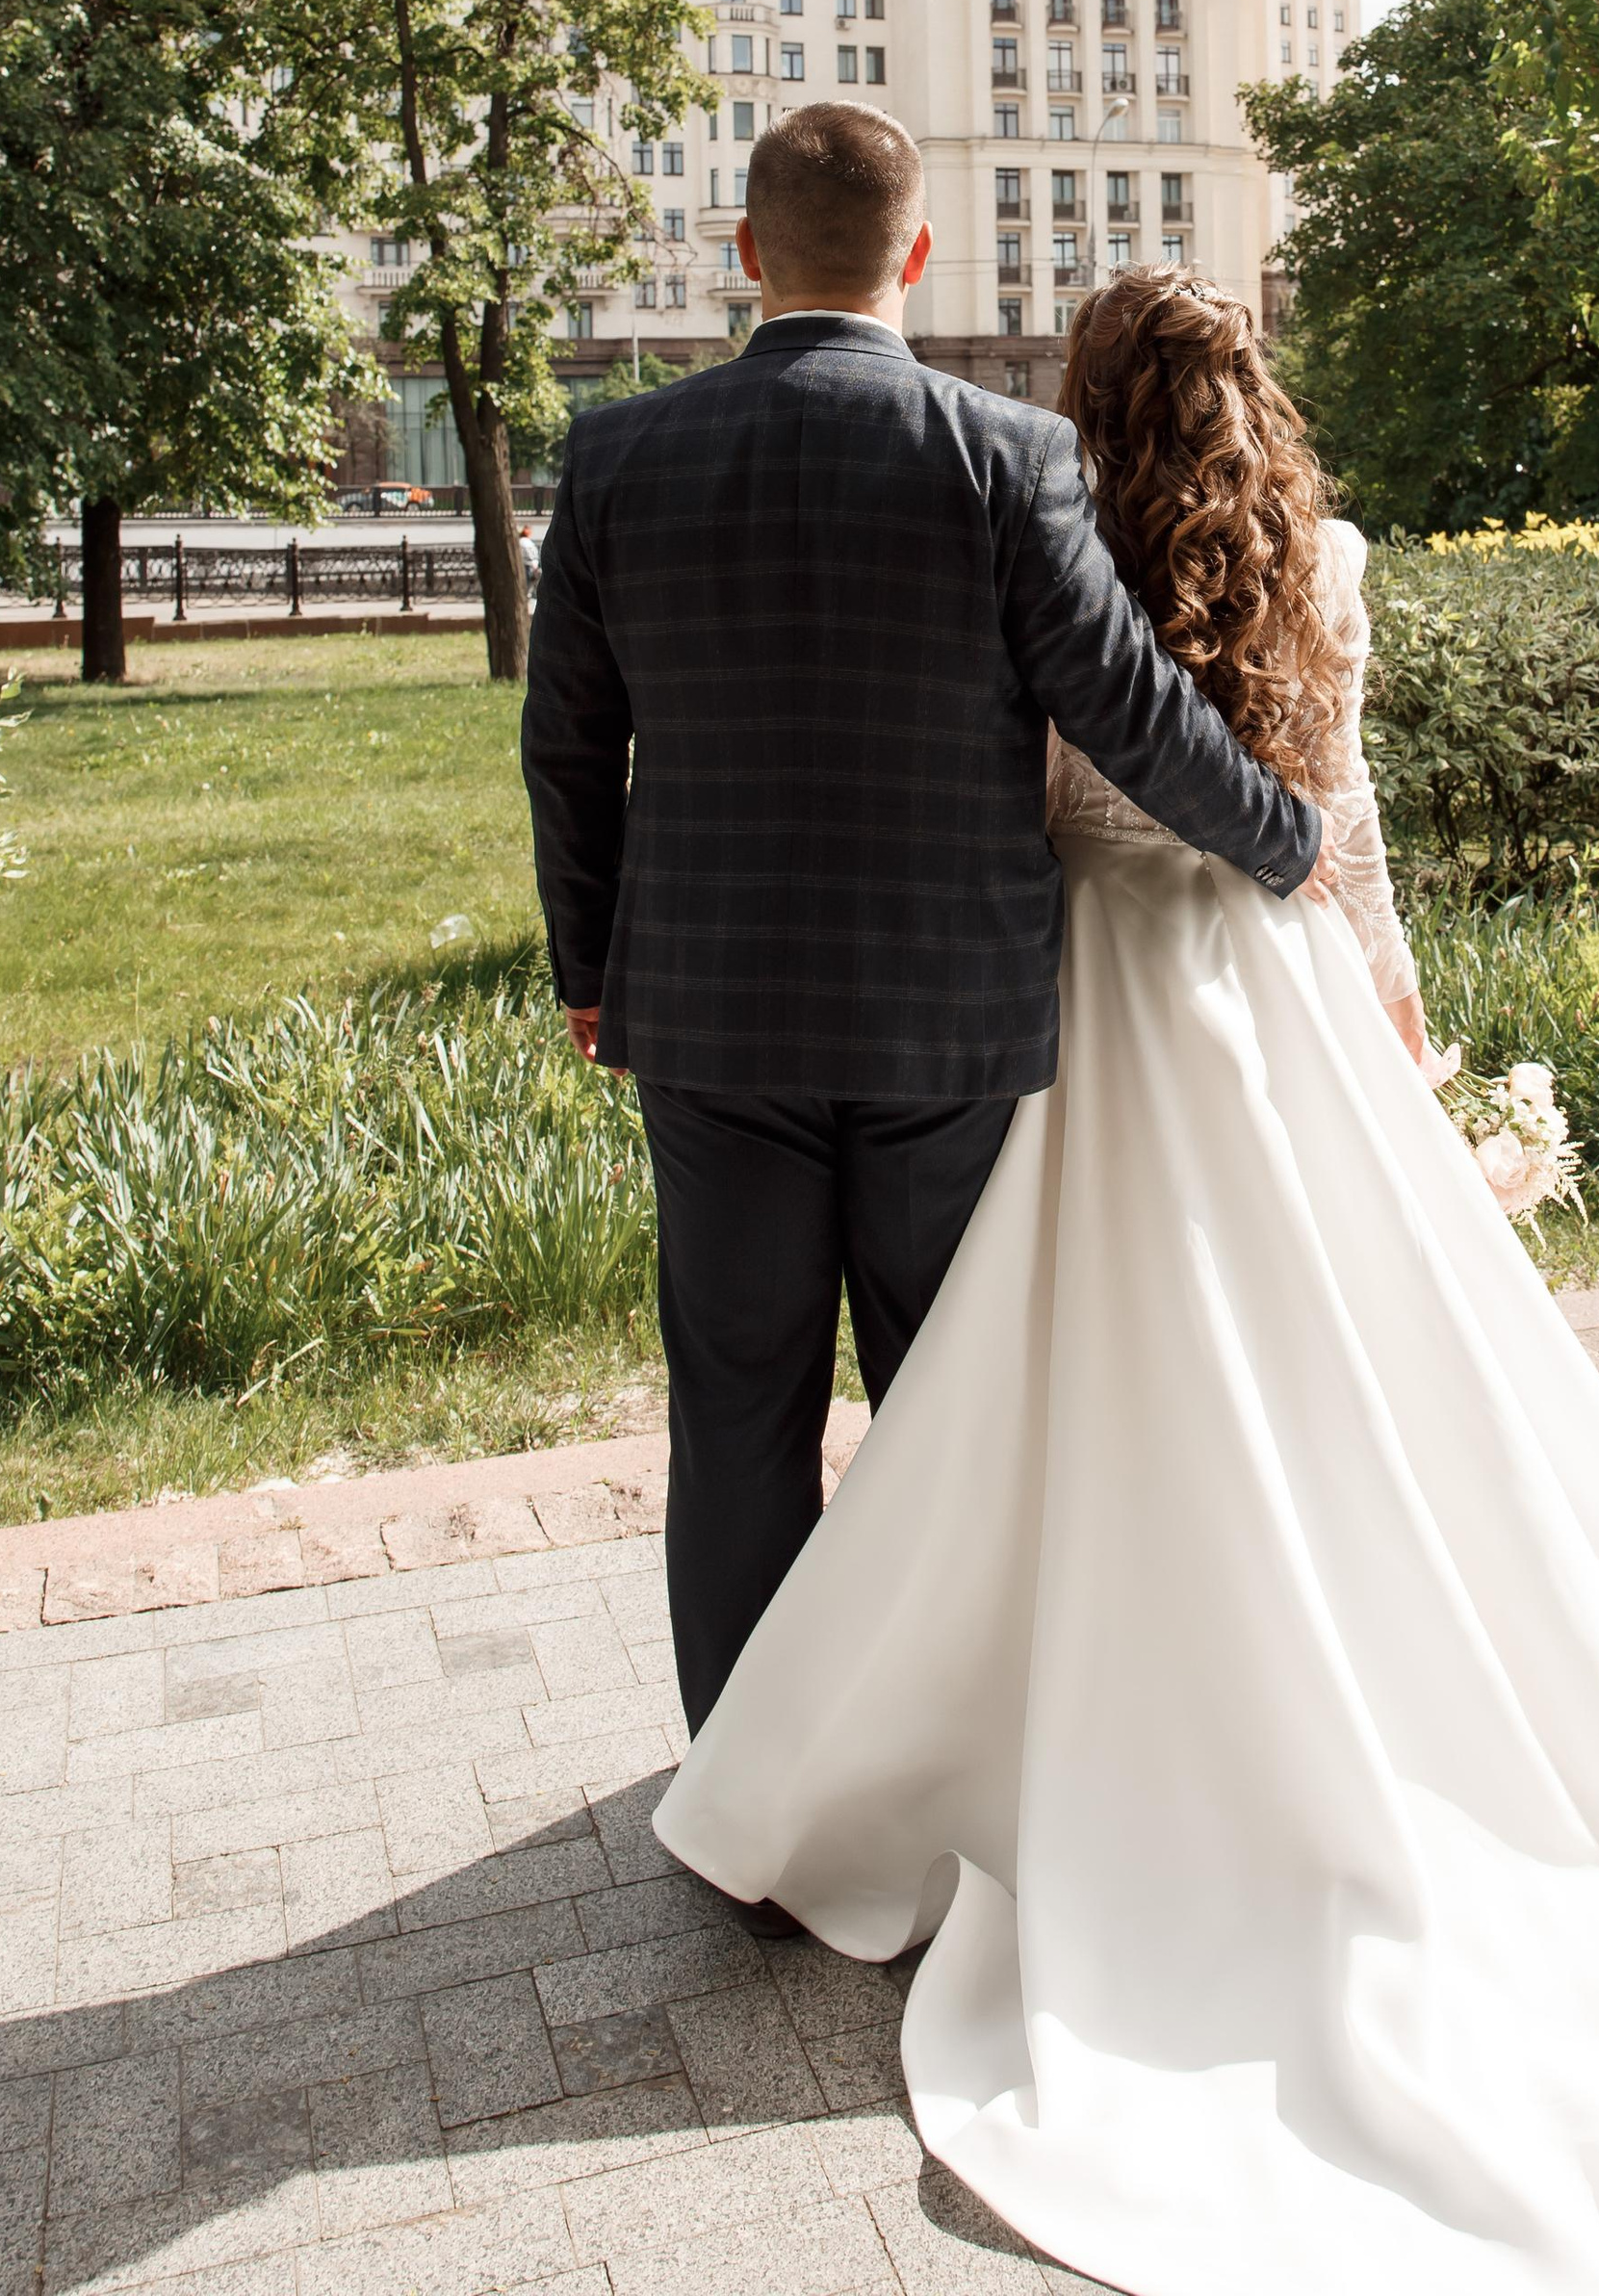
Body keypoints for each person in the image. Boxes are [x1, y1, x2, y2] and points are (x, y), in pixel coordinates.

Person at [656, 267, 1599, 2296]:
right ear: (1253, 386)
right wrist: (1393, 1017)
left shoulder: (1030, 523)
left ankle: (1036, 1699)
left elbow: (1020, 795)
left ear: (1079, 392)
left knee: (1061, 1381)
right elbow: (1337, 815)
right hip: (1271, 990)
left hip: (1081, 991)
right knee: (1353, 1379)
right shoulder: (1322, 554)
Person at [520, 107, 1323, 1736]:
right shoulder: (1004, 455)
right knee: (944, 1412)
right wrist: (1284, 840)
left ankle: (749, 1794)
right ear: (919, 254)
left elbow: (566, 744)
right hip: (944, 1020)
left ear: (745, 255)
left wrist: (590, 969)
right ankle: (934, 1774)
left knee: (736, 1413)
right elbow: (1128, 708)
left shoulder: (617, 458)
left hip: (711, 1015)